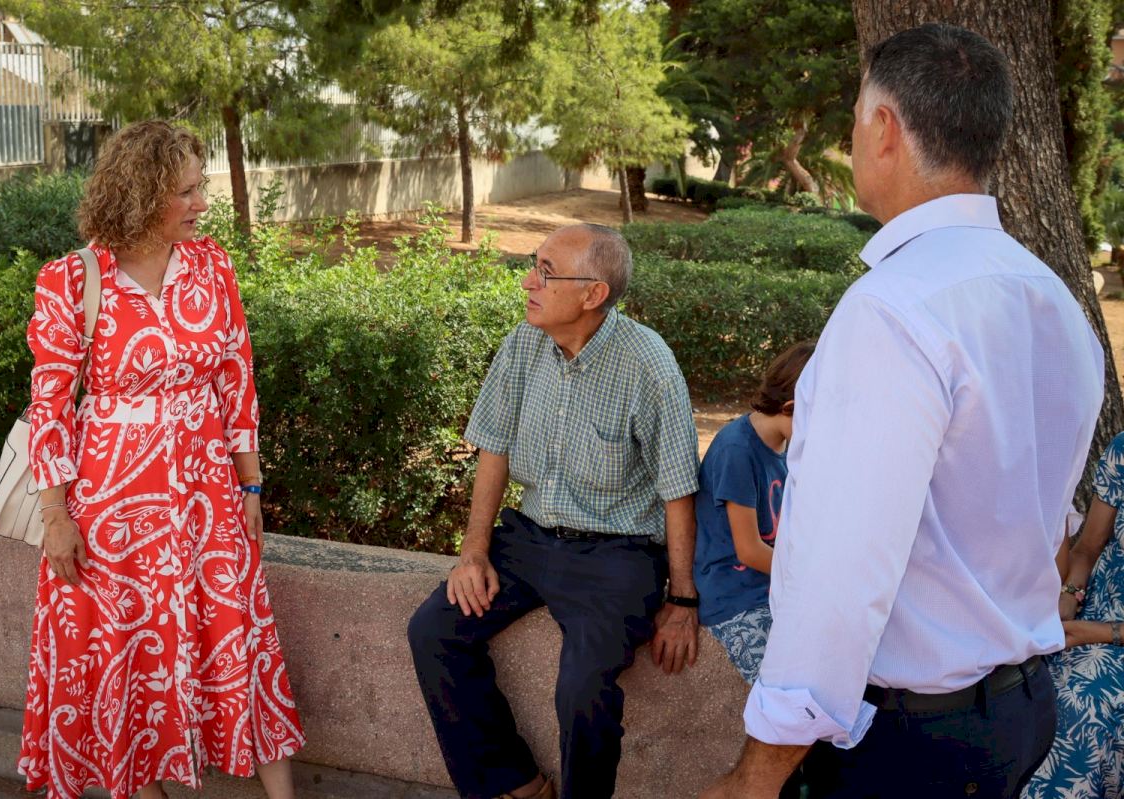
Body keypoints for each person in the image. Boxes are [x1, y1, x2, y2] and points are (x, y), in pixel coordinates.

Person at [699, 23, 1104, 799]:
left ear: (884, 128)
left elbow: (841, 570)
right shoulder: (1052, 299)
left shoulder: (893, 308)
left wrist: (759, 771)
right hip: (1018, 709)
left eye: (855, 117)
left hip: (916, 740)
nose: (852, 138)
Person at [19, 121, 304, 799]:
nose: (202, 202)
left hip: (207, 492)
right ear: (144, 196)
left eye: (200, 186)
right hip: (113, 503)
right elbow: (50, 405)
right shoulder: (72, 279)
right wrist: (55, 515)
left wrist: (251, 484)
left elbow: (236, 375)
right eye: (187, 191)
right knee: (127, 648)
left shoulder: (211, 265)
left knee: (238, 635)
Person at [407, 224, 701, 799]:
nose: (527, 282)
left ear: (593, 294)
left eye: (546, 272)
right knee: (434, 630)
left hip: (617, 554)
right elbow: (493, 448)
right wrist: (473, 552)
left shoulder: (647, 363)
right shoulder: (524, 341)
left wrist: (682, 600)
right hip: (529, 539)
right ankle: (515, 785)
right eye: (532, 265)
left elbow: (677, 490)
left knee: (583, 688)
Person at [694, 341, 814, 684]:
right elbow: (748, 550)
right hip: (736, 597)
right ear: (791, 407)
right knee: (784, 687)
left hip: (774, 585)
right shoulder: (737, 450)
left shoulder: (786, 445)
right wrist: (811, 577)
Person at [1024, 433, 1124, 799]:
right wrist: (1069, 592)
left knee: (1081, 702)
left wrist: (1098, 633)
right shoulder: (1122, 450)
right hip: (1092, 614)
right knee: (1024, 683)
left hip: (1104, 637)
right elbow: (1088, 548)